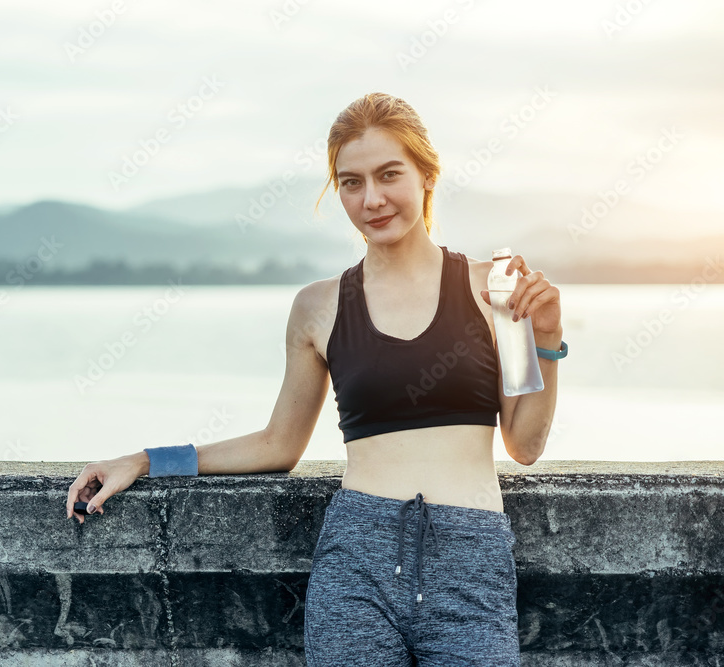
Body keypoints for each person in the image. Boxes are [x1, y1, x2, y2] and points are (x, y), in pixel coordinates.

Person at [66, 92, 566, 665]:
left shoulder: (494, 288)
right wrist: (145, 460)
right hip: (356, 561)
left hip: (471, 560)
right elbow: (277, 445)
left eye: (389, 175)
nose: (372, 199)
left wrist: (546, 335)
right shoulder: (318, 308)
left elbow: (523, 444)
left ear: (427, 176)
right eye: (350, 182)